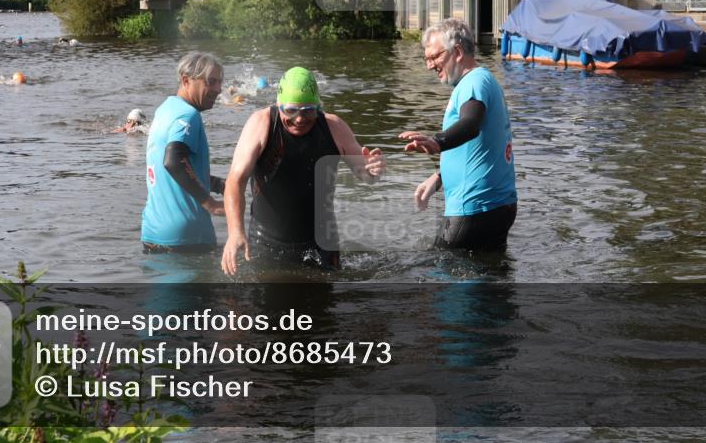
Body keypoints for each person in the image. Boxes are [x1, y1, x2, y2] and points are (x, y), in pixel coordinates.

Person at [221, 67, 385, 275]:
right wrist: (235, 232)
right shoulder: (262, 123)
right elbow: (235, 181)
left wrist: (373, 170)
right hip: (267, 243)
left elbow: (365, 175)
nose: (299, 119)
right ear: (279, 105)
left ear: (318, 106)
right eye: (291, 110)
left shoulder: (334, 127)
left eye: (308, 110)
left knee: (323, 305)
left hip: (322, 244)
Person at [399, 18, 518, 252]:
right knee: (491, 279)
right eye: (426, 59)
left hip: (473, 209)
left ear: (457, 51)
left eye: (434, 57)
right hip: (496, 206)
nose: (429, 65)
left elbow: (470, 124)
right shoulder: (481, 80)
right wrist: (440, 177)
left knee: (437, 279)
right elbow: (479, 145)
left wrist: (436, 142)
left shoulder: (473, 82)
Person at [141, 52, 226, 252]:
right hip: (188, 239)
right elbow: (174, 161)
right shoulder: (189, 115)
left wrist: (217, 184)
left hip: (153, 233)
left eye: (219, 82)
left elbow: (171, 170)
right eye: (211, 82)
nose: (218, 89)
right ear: (186, 81)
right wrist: (211, 203)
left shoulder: (165, 109)